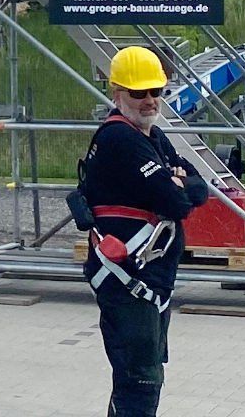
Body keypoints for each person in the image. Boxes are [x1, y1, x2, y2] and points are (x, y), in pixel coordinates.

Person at [70, 46, 211, 417]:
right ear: (118, 94)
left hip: (147, 280)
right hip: (129, 281)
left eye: (156, 92)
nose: (150, 100)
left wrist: (181, 185)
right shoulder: (121, 139)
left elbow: (200, 187)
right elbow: (177, 202)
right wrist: (176, 186)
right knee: (140, 381)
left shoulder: (152, 137)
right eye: (139, 93)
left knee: (140, 378)